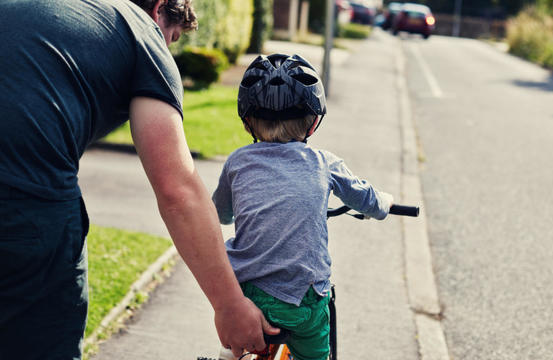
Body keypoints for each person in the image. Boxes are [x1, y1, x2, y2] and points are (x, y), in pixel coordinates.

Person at [0, 0, 276, 359]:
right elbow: (177, 190)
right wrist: (229, 305)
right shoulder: (141, 35)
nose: (167, 48)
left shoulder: (55, 11)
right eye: (172, 37)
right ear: (159, 8)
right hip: (24, 205)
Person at [212, 53, 394, 360]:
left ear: (247, 120)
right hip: (303, 302)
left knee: (238, 340)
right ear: (313, 121)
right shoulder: (323, 163)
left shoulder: (237, 163)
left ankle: (231, 354)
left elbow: (220, 213)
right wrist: (384, 202)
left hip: (249, 297)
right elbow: (367, 200)